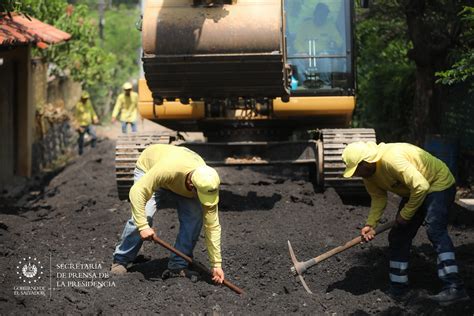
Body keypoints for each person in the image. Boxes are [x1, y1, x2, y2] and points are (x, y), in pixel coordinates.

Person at [341, 141, 469, 306]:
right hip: (414, 190)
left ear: (366, 162)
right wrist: (370, 224)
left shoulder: (391, 159)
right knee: (398, 236)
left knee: (435, 230)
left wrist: (406, 214)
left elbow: (421, 185)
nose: (356, 174)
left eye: (357, 170)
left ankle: (454, 287)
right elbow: (378, 198)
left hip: (438, 184)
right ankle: (398, 289)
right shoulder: (368, 175)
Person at [110, 144, 225, 284]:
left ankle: (178, 266)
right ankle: (121, 260)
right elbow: (137, 191)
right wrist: (143, 226)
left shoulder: (208, 183)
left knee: (194, 218)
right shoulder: (169, 169)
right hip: (150, 168)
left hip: (177, 179)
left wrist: (216, 264)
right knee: (144, 216)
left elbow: (212, 226)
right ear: (191, 185)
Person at [293, 2, 343, 86]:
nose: (322, 16)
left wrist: (331, 46)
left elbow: (339, 42)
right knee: (295, 59)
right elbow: (297, 42)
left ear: (326, 16)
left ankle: (324, 84)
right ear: (315, 13)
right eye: (320, 14)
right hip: (306, 55)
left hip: (322, 55)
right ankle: (303, 83)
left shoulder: (330, 26)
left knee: (325, 58)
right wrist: (302, 53)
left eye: (324, 15)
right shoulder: (305, 25)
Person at [74, 91, 98, 155]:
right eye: (84, 98)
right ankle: (80, 153)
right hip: (81, 125)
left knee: (94, 136)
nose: (85, 100)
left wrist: (95, 117)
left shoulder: (88, 103)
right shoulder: (78, 105)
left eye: (86, 98)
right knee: (81, 139)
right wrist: (77, 126)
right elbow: (75, 116)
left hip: (88, 124)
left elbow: (92, 111)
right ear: (81, 98)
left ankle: (93, 150)